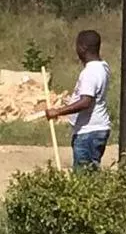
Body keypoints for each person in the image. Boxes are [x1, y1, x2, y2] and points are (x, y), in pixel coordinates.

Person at [44, 30, 111, 170]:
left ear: (82, 48)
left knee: (84, 178)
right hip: (96, 130)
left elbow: (85, 102)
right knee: (91, 174)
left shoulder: (90, 73)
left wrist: (57, 111)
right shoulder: (102, 67)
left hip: (88, 133)